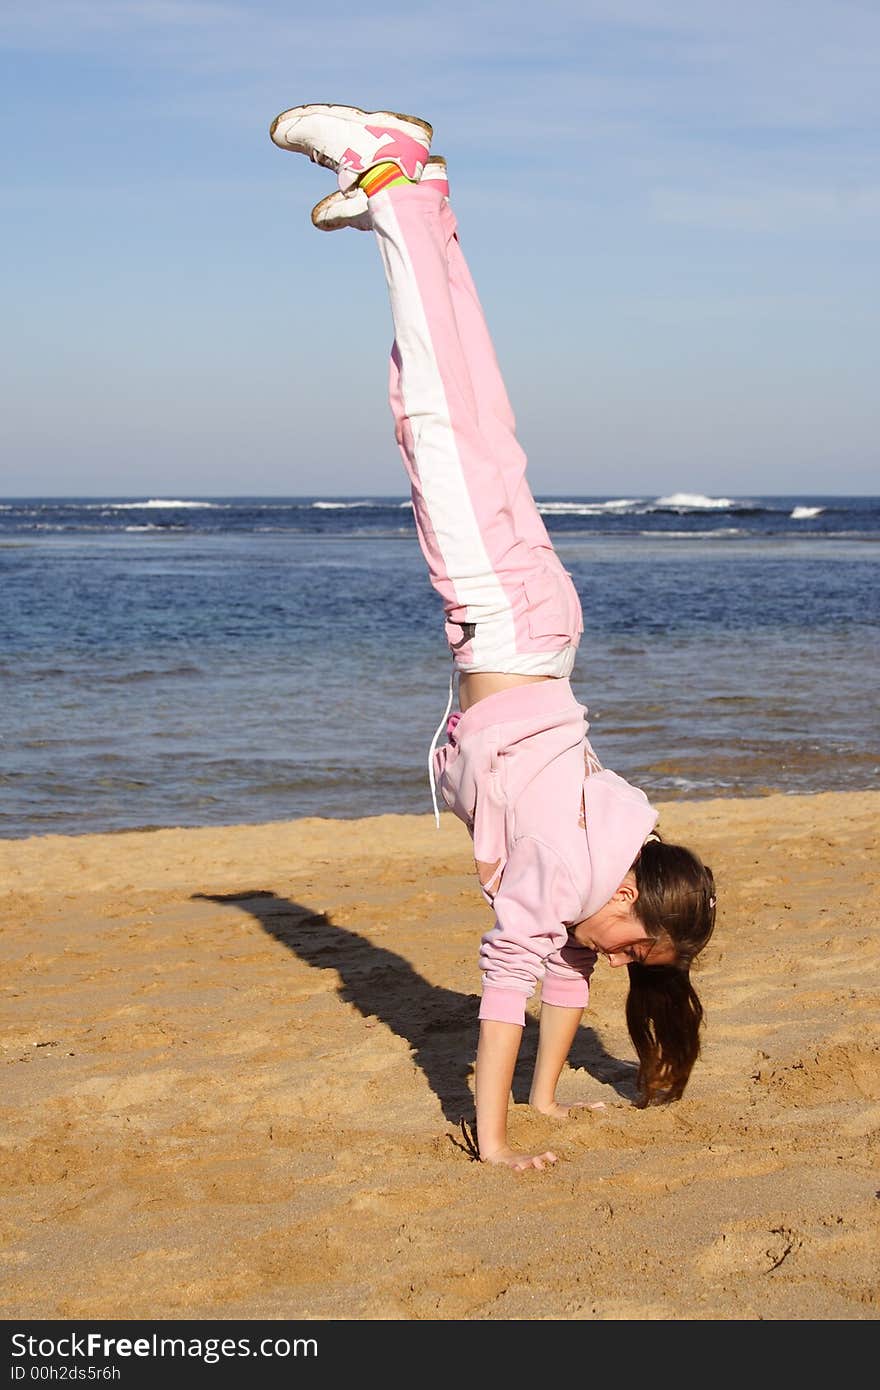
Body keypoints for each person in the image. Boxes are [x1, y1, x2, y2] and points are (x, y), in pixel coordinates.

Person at [269, 104, 717, 1171]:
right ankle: (394, 175)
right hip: (503, 617)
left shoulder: (612, 842)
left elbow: (563, 976)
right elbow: (504, 1003)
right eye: (633, 948)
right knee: (433, 415)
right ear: (626, 904)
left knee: (474, 414)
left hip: (544, 624)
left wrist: (552, 1102)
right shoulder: (567, 872)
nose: (615, 964)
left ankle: (425, 213)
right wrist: (497, 1138)